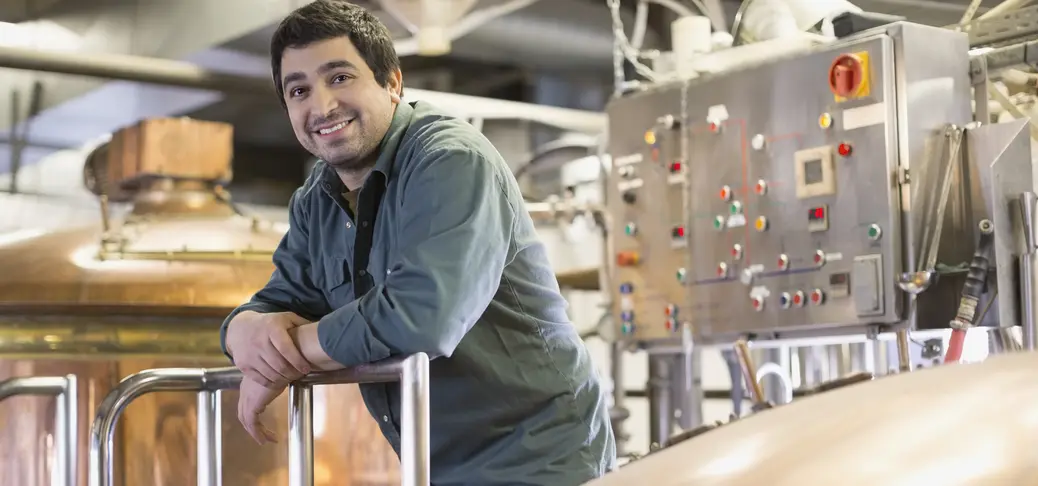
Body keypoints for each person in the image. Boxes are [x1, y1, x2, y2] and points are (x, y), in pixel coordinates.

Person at [219, 1, 616, 484]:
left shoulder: (450, 160)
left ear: (392, 82)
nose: (321, 106)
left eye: (339, 78)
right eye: (299, 90)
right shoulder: (316, 199)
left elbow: (422, 315)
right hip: (436, 466)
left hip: (538, 459)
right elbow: (281, 301)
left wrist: (282, 356)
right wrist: (240, 332)